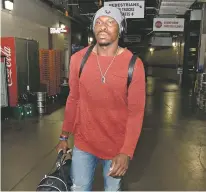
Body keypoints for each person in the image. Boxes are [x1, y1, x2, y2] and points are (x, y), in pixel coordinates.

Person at [57, 6, 146, 191]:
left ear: (120, 29)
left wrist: (126, 152)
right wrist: (64, 135)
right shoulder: (77, 60)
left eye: (110, 22)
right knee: (79, 188)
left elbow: (136, 113)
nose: (103, 27)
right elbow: (73, 99)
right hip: (84, 143)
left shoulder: (134, 65)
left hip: (116, 147)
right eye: (98, 22)